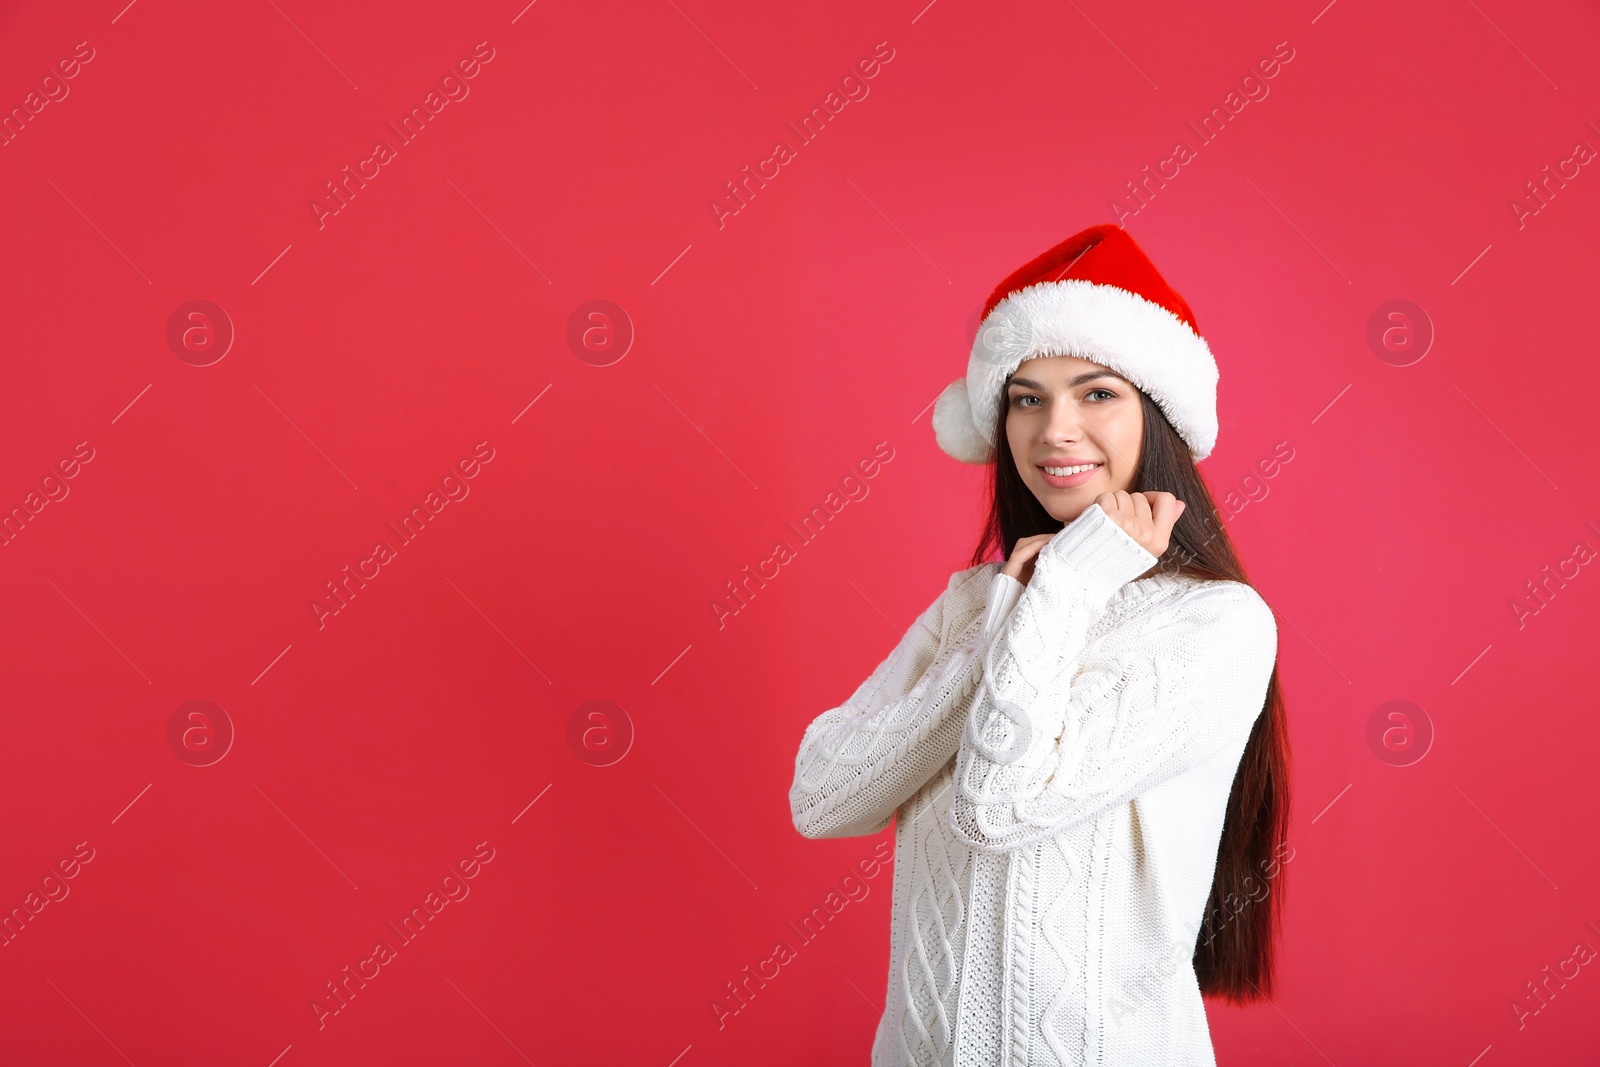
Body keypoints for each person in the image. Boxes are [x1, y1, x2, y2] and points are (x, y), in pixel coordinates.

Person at [788, 224, 1291, 1066]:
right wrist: (1006, 616)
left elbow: (998, 806)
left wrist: (1064, 587)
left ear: (1158, 417)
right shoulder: (978, 603)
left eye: (1097, 394)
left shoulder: (1219, 624)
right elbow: (823, 798)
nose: (1056, 429)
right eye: (1027, 397)